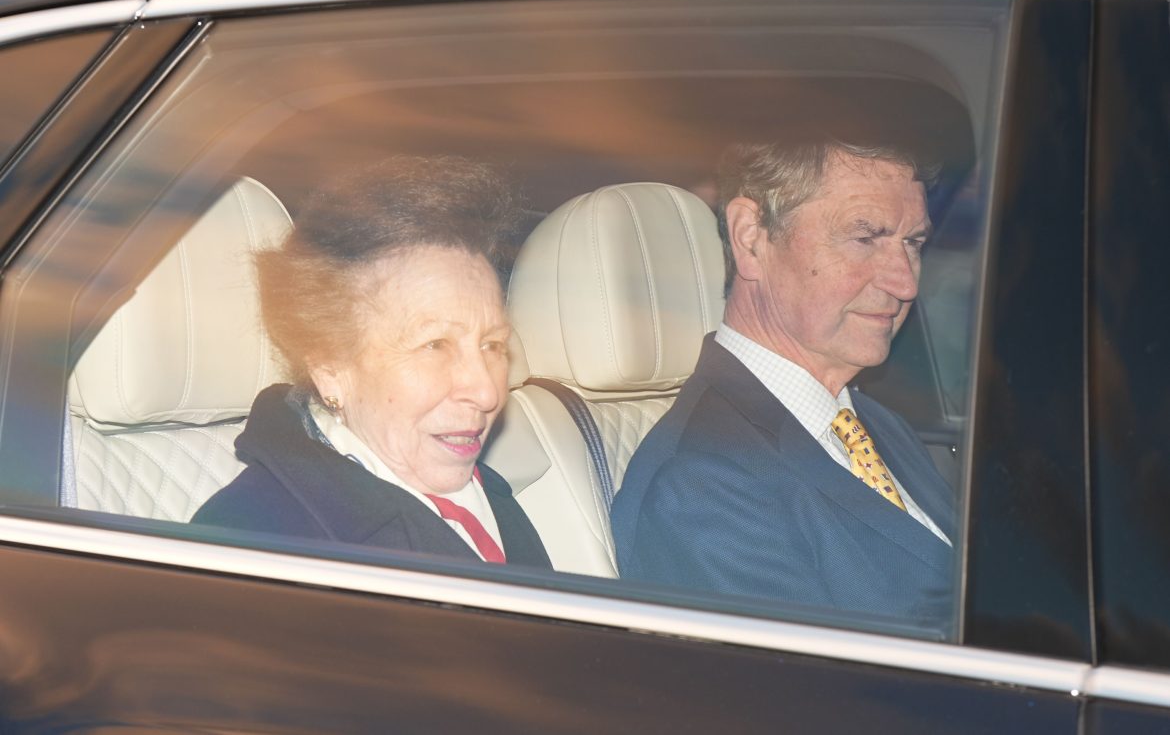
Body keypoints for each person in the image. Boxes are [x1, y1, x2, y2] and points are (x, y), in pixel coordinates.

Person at [610, 139, 955, 624]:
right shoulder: (702, 487)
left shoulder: (875, 424)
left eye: (912, 243)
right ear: (751, 238)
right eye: (865, 238)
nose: (905, 283)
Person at [193, 156, 551, 570]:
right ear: (330, 368)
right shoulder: (254, 547)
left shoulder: (488, 497)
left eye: (492, 344)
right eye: (435, 344)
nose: (487, 392)